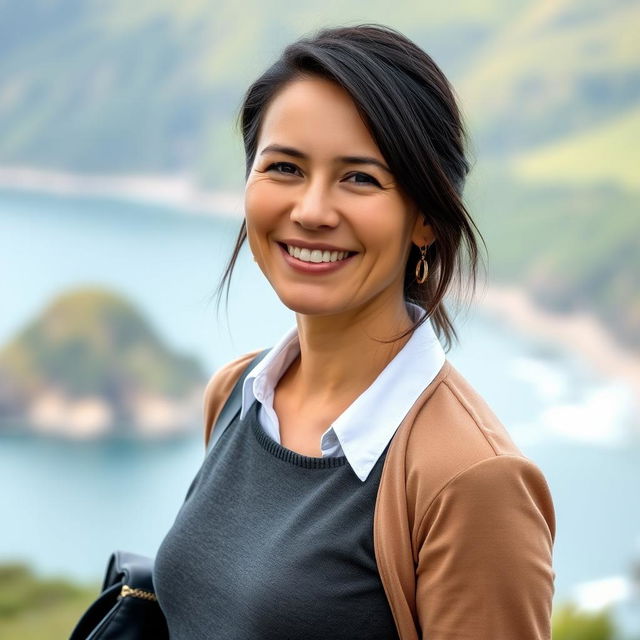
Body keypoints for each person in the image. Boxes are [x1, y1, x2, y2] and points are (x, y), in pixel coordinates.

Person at [153, 23, 556, 640]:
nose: (312, 211)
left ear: (425, 218)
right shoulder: (236, 394)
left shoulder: (471, 479)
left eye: (359, 178)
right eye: (284, 167)